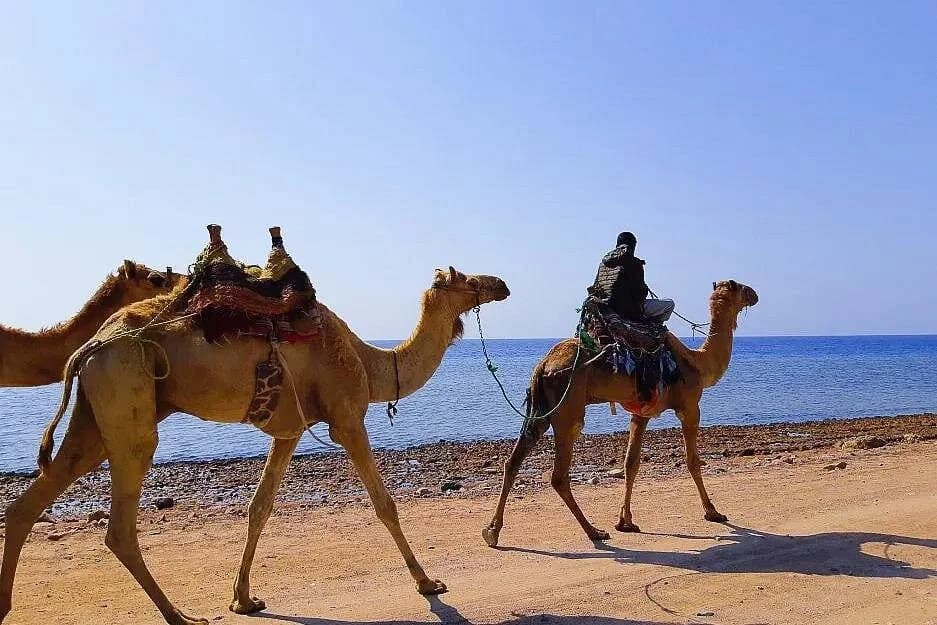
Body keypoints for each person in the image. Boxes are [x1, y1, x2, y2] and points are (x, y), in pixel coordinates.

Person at [588, 231, 674, 324]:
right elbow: (640, 293)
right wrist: (644, 289)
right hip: (629, 309)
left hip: (606, 306)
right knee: (669, 303)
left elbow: (596, 287)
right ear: (633, 246)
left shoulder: (603, 264)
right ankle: (653, 325)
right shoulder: (635, 262)